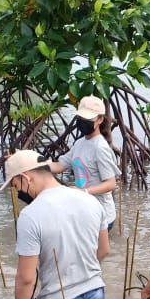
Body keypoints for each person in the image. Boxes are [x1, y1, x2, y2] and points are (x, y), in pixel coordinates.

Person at [3, 150, 111, 299]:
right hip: (96, 296)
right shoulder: (90, 201)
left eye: (16, 186)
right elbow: (104, 250)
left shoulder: (30, 216)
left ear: (26, 178)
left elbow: (26, 278)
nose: (18, 193)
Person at [47, 96, 119, 230]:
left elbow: (111, 184)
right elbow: (59, 166)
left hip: (101, 216)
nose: (83, 122)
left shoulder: (100, 148)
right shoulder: (79, 143)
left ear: (100, 119)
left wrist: (83, 192)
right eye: (81, 119)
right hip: (85, 211)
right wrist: (35, 165)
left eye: (87, 119)